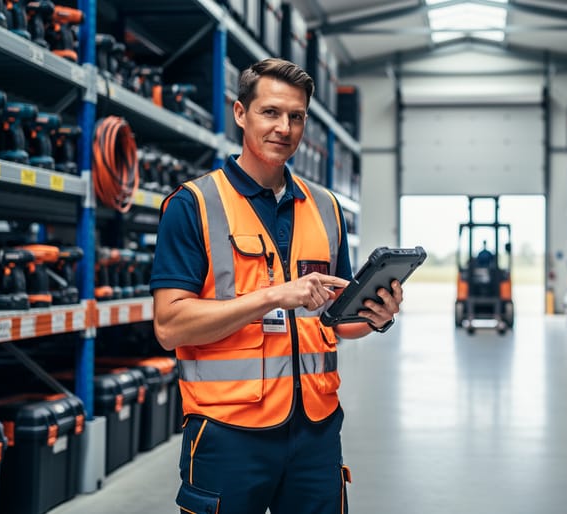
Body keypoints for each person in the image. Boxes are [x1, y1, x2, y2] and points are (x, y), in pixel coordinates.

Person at [150, 58, 403, 514]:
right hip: (228, 431)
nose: (284, 128)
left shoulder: (325, 208)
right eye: (270, 112)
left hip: (316, 430)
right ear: (240, 113)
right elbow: (169, 326)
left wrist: (374, 317)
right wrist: (271, 295)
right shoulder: (194, 205)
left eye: (296, 116)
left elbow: (338, 321)